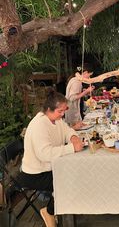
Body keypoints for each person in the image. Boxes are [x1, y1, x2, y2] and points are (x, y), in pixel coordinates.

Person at [18, 89, 84, 227]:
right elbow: (45, 154)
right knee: (69, 180)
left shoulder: (56, 119)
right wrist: (72, 148)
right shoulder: (39, 125)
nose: (63, 114)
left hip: (51, 166)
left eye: (63, 110)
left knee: (76, 173)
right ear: (48, 109)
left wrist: (72, 137)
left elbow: (67, 130)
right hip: (35, 173)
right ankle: (49, 211)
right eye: (60, 111)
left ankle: (61, 207)